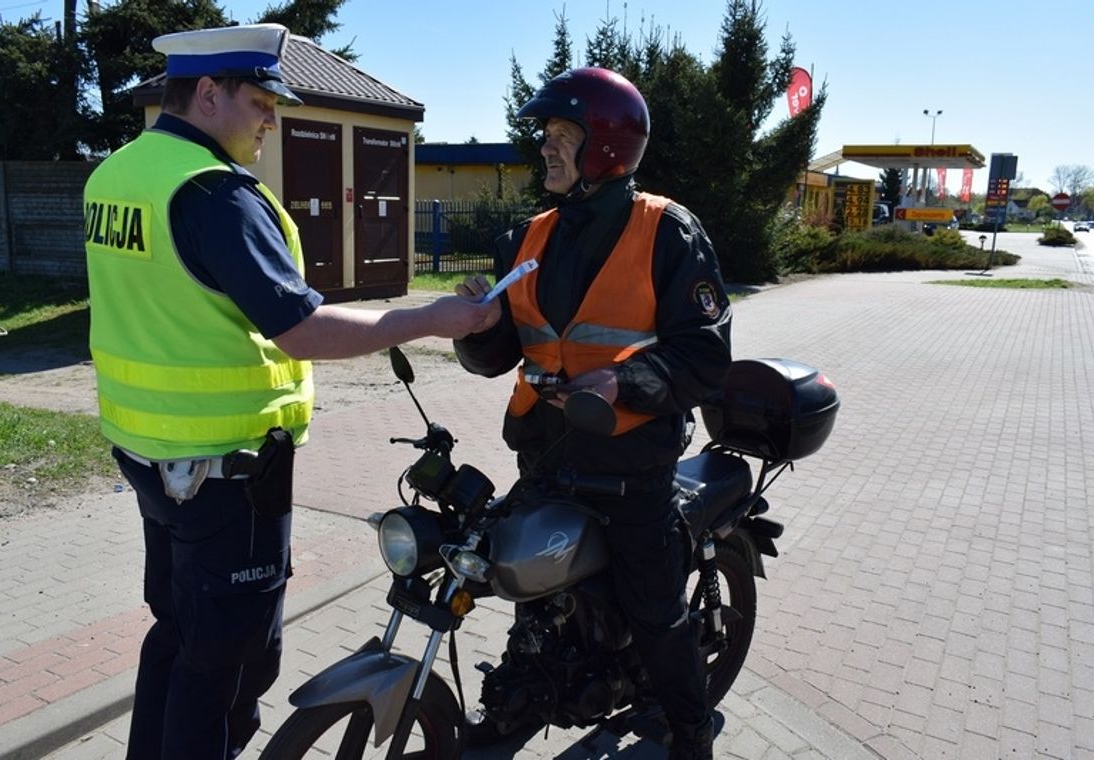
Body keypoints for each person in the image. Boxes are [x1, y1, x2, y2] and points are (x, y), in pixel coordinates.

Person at [83, 23, 494, 760]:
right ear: (207, 94)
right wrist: (429, 318)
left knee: (177, 636)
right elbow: (300, 329)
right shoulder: (213, 194)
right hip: (224, 476)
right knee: (229, 666)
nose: (272, 118)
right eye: (259, 101)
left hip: (149, 459)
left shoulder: (116, 175)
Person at [453, 67, 732, 760]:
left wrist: (626, 382)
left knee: (657, 615)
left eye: (561, 135)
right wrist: (476, 325)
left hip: (630, 465)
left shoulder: (666, 230)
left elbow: (706, 357)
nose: (545, 148)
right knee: (528, 595)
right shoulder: (528, 236)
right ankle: (527, 701)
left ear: (605, 146)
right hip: (547, 455)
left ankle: (692, 736)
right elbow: (498, 356)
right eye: (545, 134)